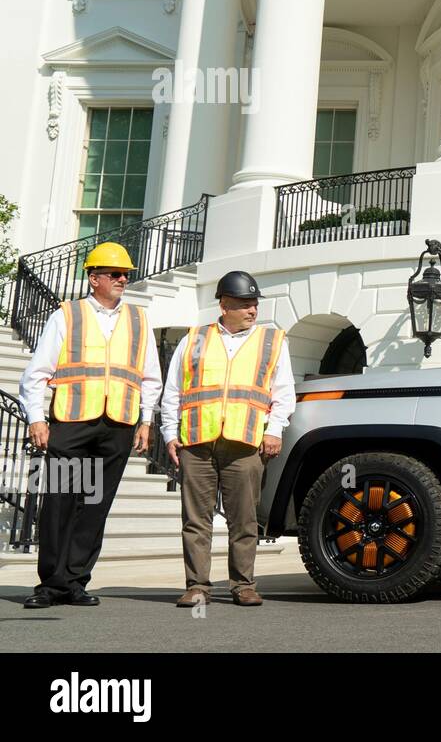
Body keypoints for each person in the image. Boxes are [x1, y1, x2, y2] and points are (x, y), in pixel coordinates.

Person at [18, 241, 161, 608]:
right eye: (115, 274)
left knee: (95, 504)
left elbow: (149, 377)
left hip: (117, 426)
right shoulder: (67, 315)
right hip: (71, 423)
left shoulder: (138, 319)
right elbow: (36, 373)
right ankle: (51, 583)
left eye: (126, 274)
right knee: (59, 502)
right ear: (93, 277)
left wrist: (146, 420)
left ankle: (76, 581)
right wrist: (37, 418)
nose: (122, 279)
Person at [160, 270, 293, 608]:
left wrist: (275, 429)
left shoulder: (271, 341)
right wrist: (168, 434)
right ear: (224, 305)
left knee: (244, 519)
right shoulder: (193, 339)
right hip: (197, 441)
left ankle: (243, 585)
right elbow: (173, 390)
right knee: (195, 519)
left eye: (254, 304)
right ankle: (197, 587)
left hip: (245, 443)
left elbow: (283, 392)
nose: (252, 310)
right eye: (245, 304)